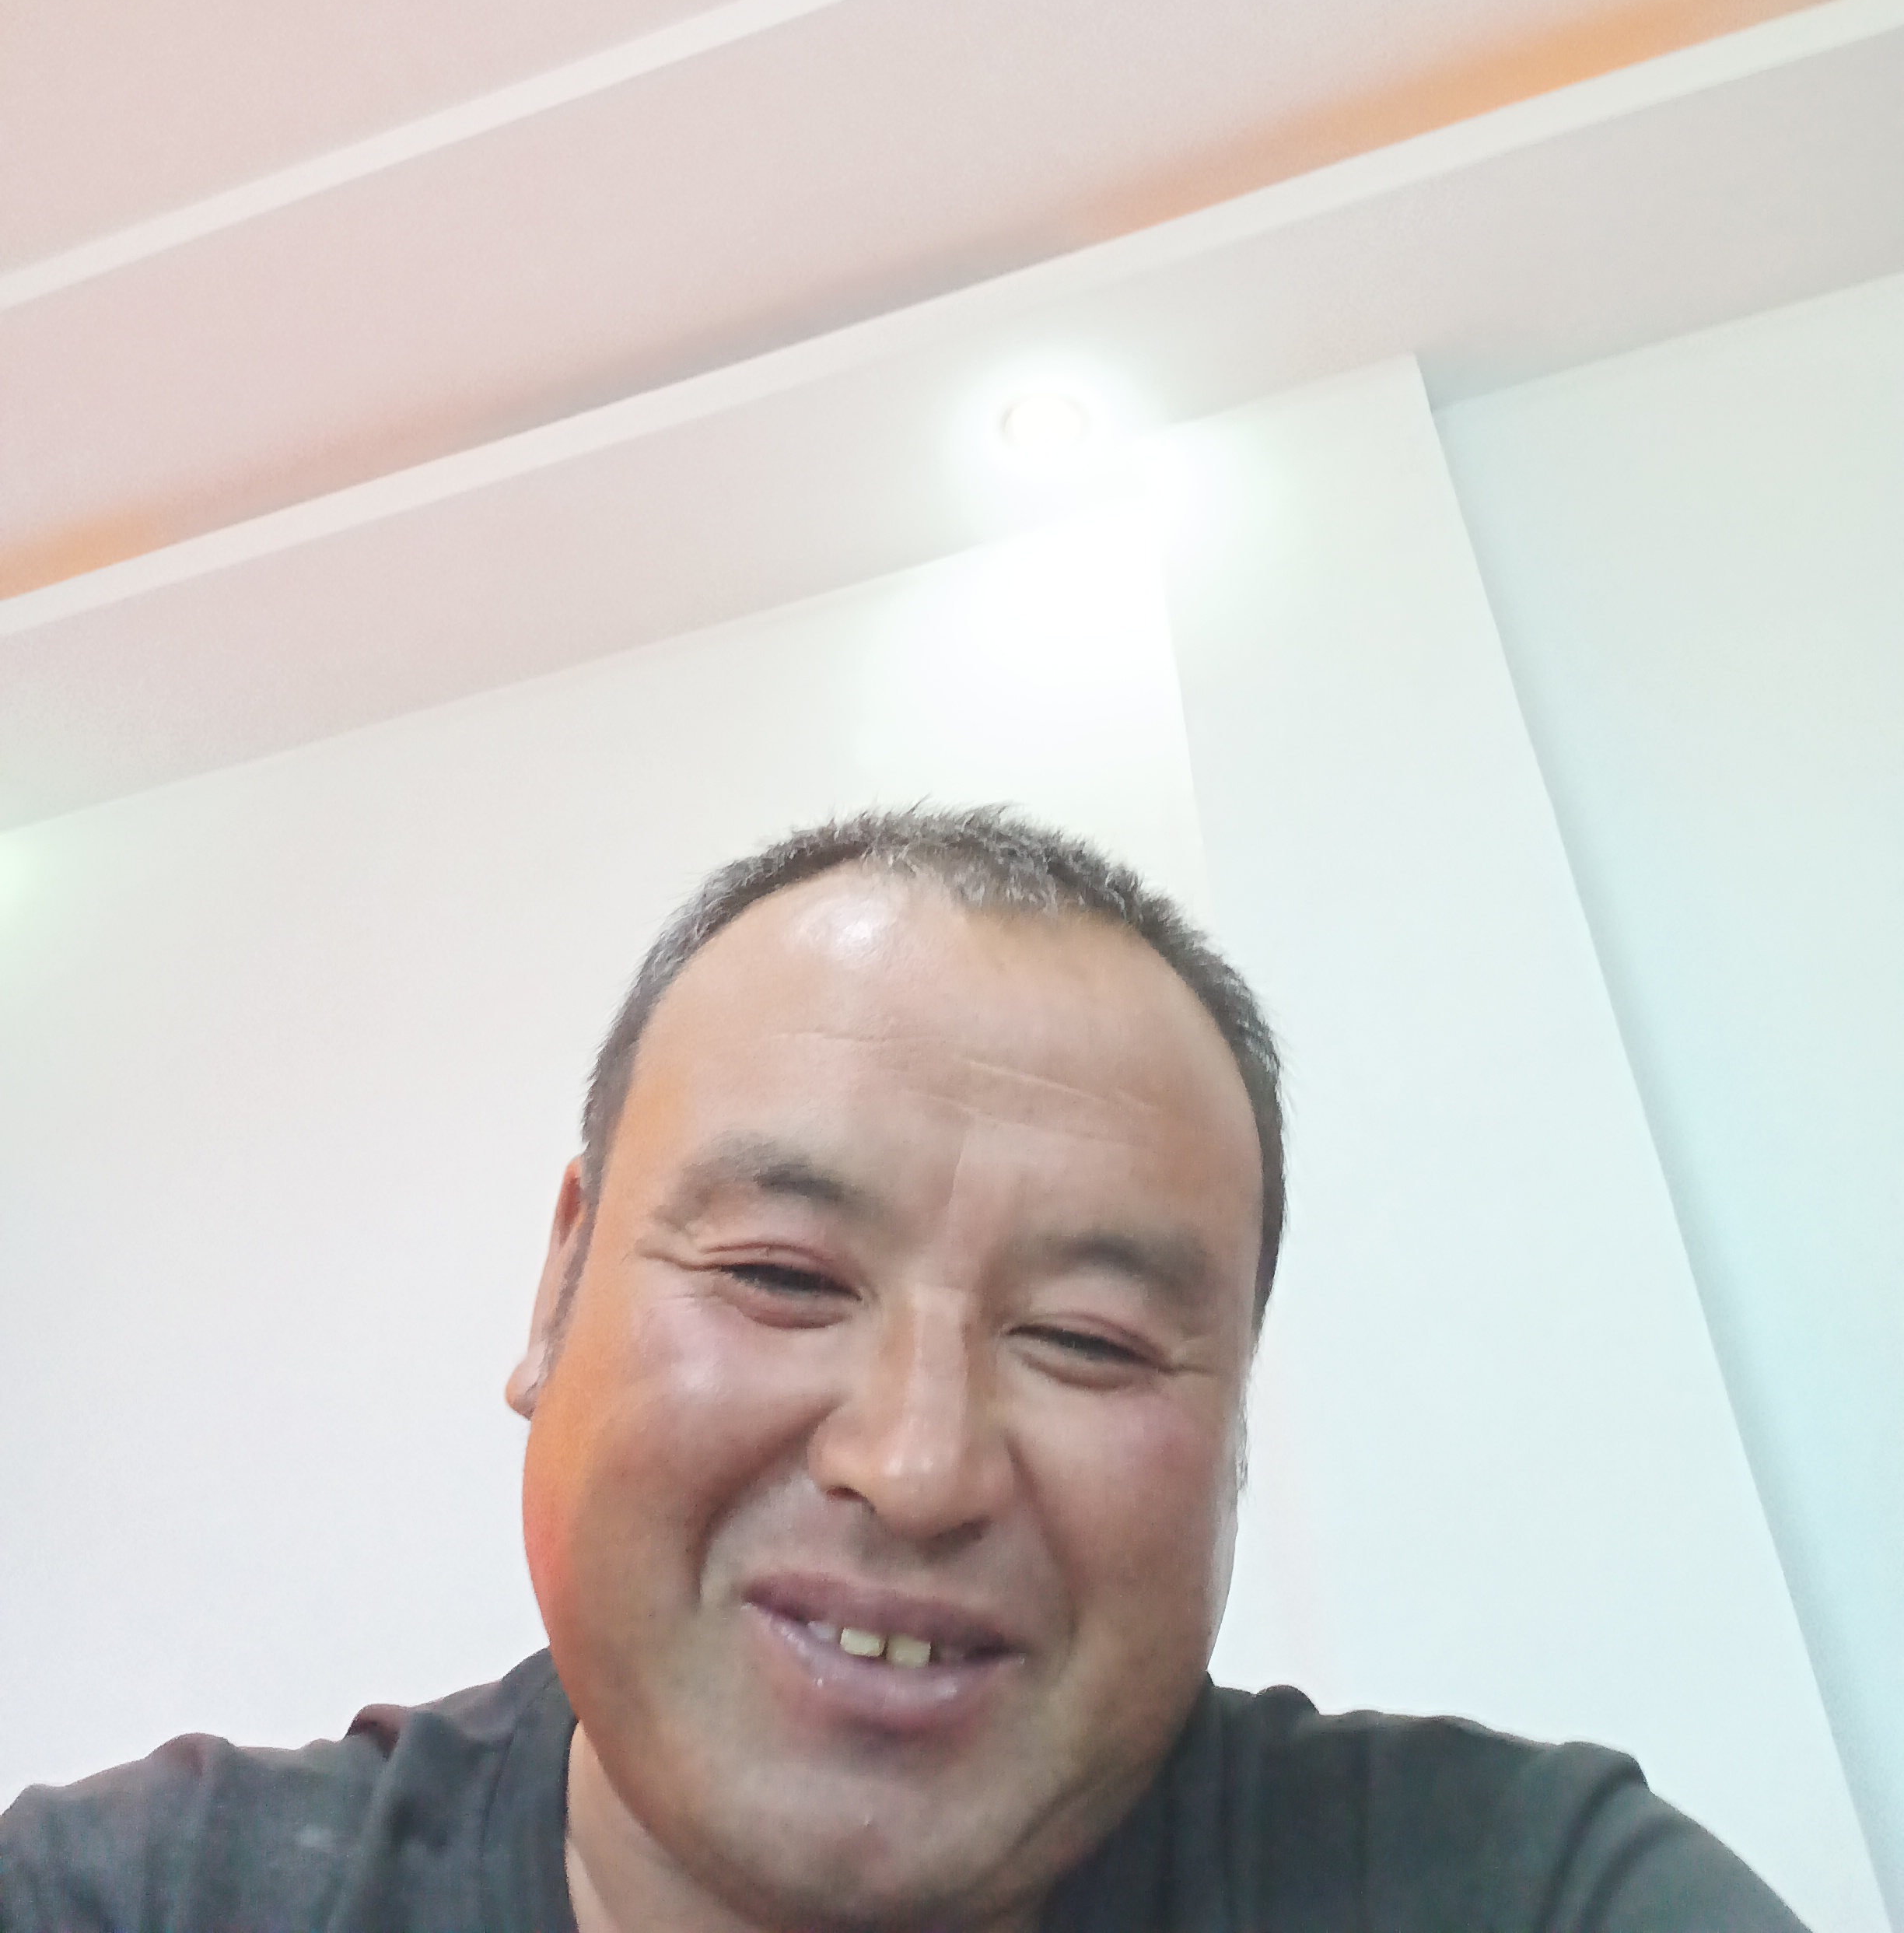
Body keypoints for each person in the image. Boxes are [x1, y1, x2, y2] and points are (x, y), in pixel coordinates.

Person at [0, 807, 1808, 1932]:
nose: (918, 1462)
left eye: (1089, 1340)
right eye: (783, 1276)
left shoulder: (1517, 1888)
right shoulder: (132, 1900)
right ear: (557, 1290)